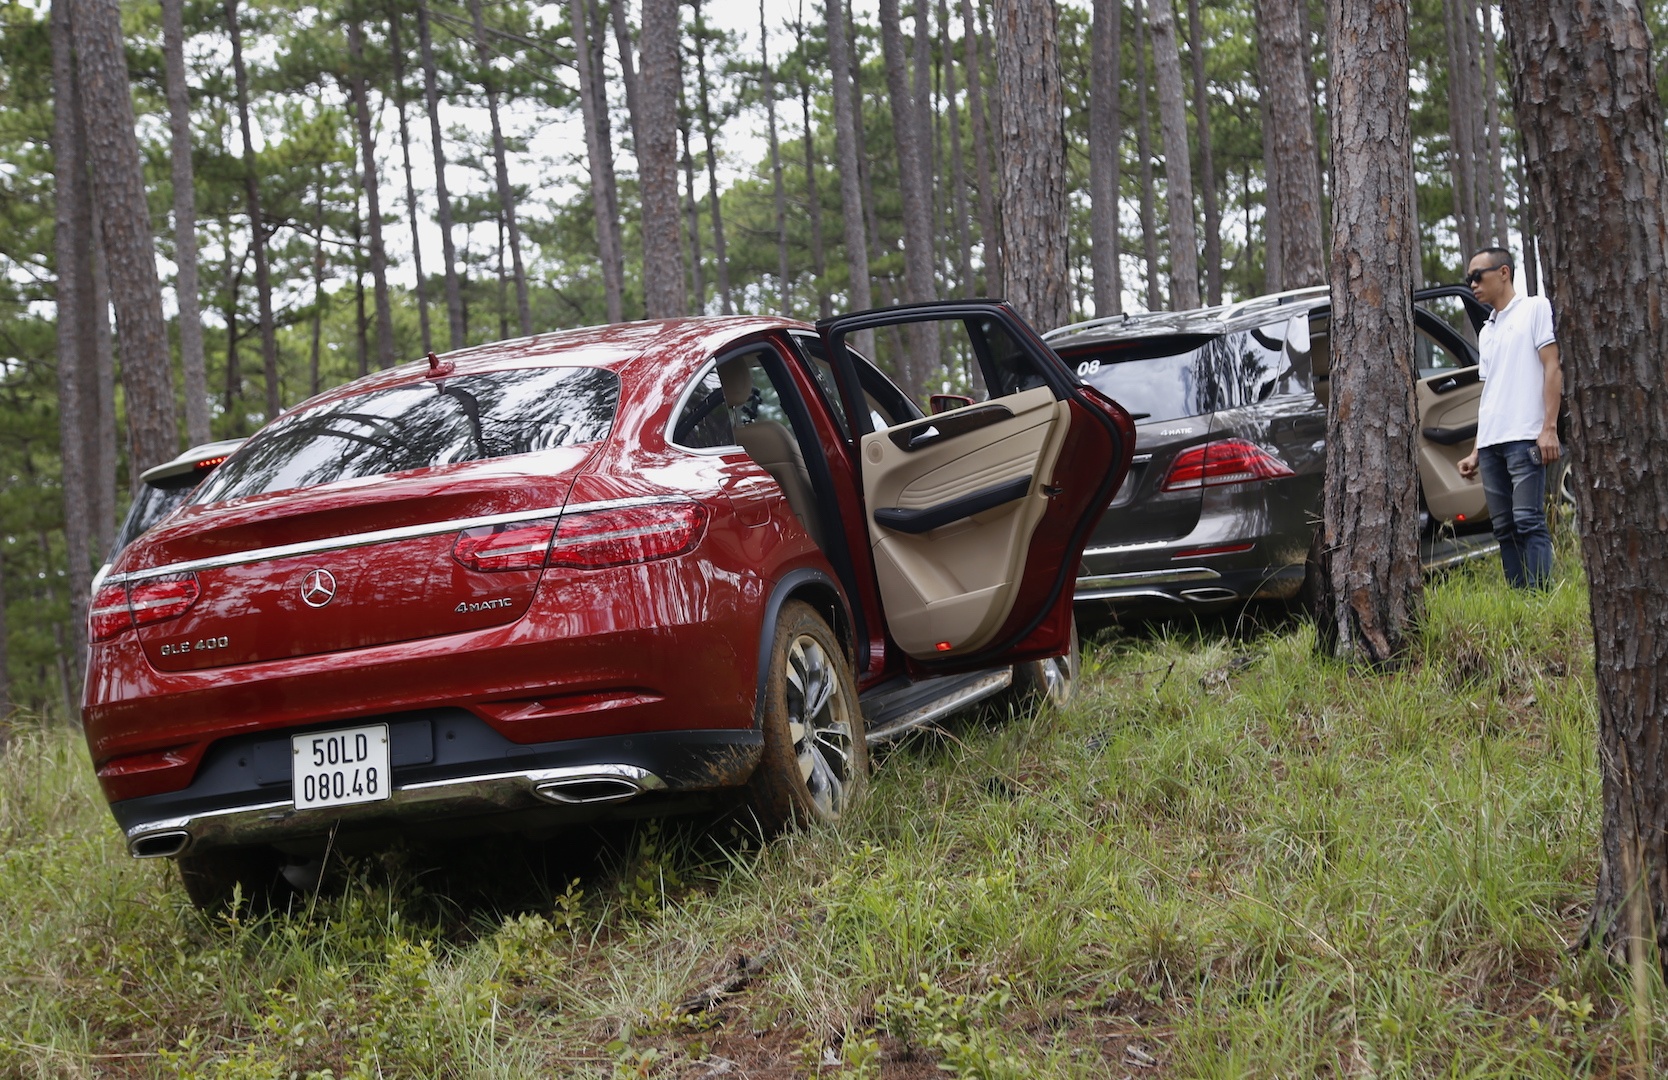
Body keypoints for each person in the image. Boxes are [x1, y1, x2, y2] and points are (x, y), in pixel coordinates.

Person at [1457, 247, 1563, 590]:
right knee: (1503, 528)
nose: (1473, 284)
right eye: (1469, 279)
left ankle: (1541, 598)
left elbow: (1552, 367)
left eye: (1478, 276)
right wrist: (1476, 450)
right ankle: (1520, 599)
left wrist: (1549, 428)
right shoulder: (1487, 330)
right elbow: (1490, 395)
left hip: (1525, 436)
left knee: (1529, 520)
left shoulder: (1535, 308)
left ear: (1504, 272)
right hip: (1491, 445)